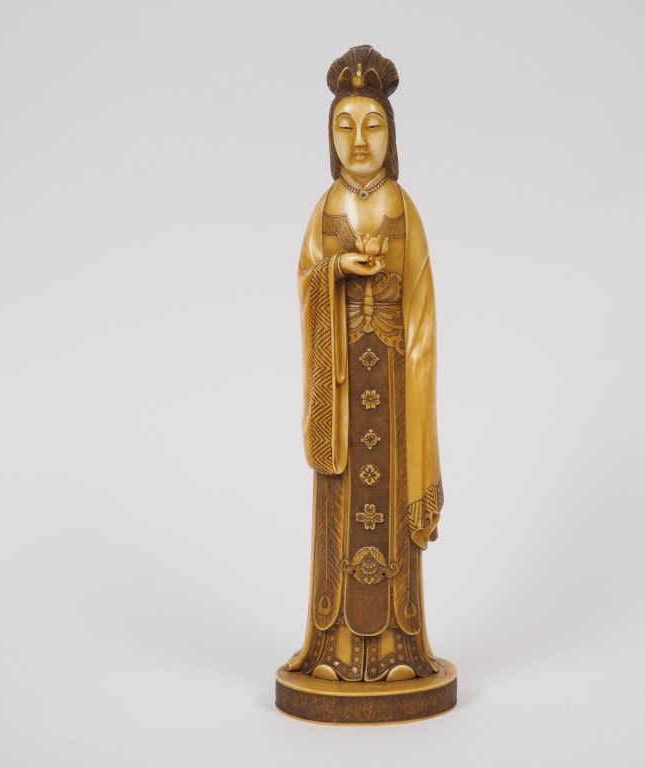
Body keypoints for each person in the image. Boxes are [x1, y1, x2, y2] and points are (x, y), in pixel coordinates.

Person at [285, 45, 445, 683]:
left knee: (391, 507)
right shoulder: (326, 208)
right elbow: (304, 282)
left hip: (395, 392)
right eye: (344, 127)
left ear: (391, 135)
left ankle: (402, 648)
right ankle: (329, 647)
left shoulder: (403, 207)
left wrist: (418, 381)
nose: (358, 141)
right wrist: (333, 274)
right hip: (343, 391)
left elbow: (423, 308)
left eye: (372, 126)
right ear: (329, 138)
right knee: (338, 511)